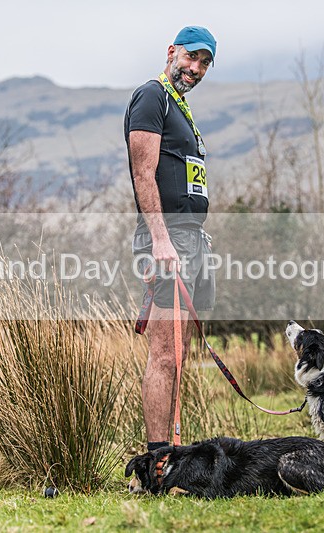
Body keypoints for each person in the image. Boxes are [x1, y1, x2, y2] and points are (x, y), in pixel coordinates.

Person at [124, 26, 217, 453]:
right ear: (171, 52)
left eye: (204, 63)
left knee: (180, 353)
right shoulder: (152, 96)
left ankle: (174, 454)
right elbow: (144, 173)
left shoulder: (180, 107)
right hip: (167, 239)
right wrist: (162, 241)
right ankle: (158, 460)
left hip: (192, 238)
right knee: (164, 352)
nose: (195, 68)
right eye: (190, 58)